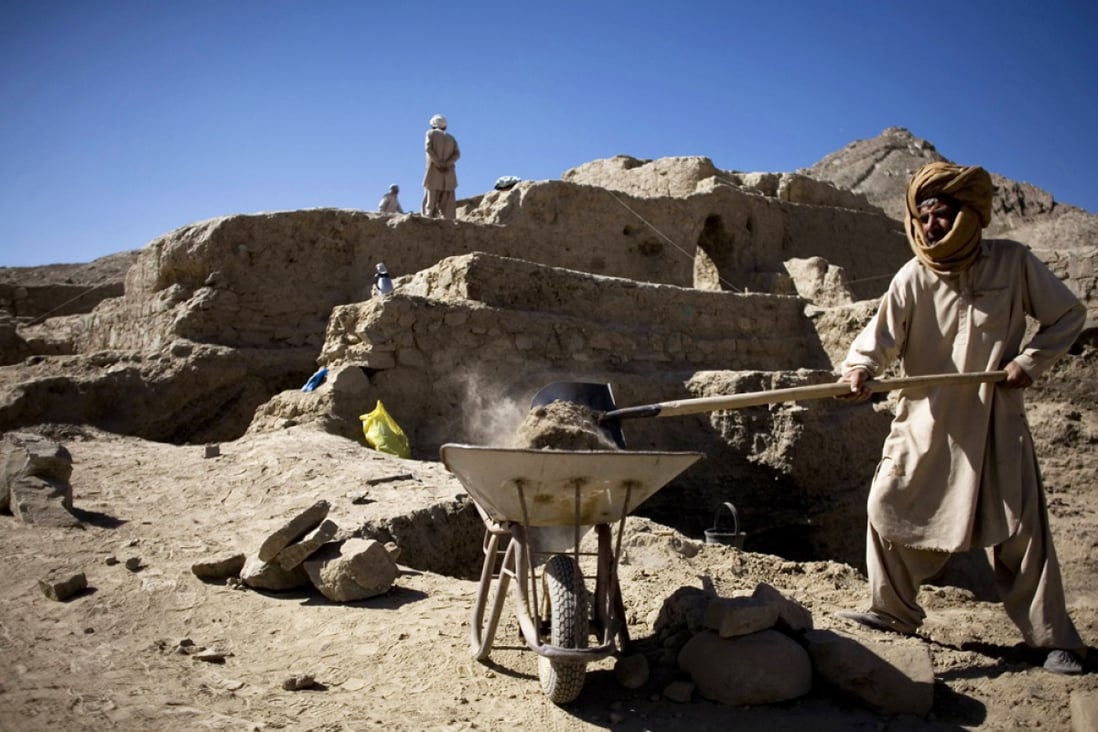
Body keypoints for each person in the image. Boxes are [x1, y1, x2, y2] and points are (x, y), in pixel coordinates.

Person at [835, 161, 1088, 675]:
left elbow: (1068, 315)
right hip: (927, 422)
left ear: (969, 215)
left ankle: (1053, 639)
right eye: (924, 216)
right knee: (887, 504)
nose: (932, 226)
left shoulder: (1014, 263)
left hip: (996, 420)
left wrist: (1028, 362)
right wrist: (860, 369)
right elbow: (877, 342)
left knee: (1021, 530)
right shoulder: (912, 277)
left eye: (943, 215)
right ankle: (893, 611)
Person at [422, 114, 460, 219]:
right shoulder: (451, 138)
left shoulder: (430, 133)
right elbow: (457, 154)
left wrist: (438, 163)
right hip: (448, 174)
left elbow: (428, 149)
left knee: (430, 203)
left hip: (434, 172)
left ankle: (428, 223)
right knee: (448, 207)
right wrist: (447, 164)